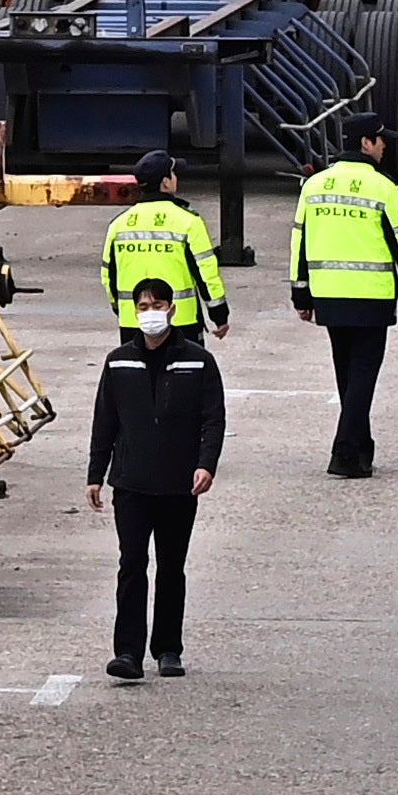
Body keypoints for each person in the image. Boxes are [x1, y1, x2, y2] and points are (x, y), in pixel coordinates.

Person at [88, 275, 229, 680]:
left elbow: (213, 418)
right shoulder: (118, 361)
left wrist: (206, 464)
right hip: (131, 482)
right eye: (143, 306)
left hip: (177, 482)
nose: (150, 313)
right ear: (134, 312)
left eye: (157, 305)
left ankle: (168, 649)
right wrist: (96, 473)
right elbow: (105, 421)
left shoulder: (198, 361)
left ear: (171, 308)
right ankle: (128, 653)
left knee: (171, 566)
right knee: (131, 564)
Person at [294, 121, 398, 478]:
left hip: (328, 294)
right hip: (370, 297)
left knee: (347, 374)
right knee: (364, 374)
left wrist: (300, 290)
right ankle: (344, 450)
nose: (385, 147)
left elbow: (300, 241)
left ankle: (360, 448)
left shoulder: (314, 184)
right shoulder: (386, 188)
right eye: (382, 141)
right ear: (366, 143)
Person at [101, 146, 227, 336]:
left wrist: (120, 309)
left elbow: (108, 276)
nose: (176, 178)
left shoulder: (118, 225)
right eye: (173, 174)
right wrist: (219, 316)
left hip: (133, 322)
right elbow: (207, 274)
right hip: (181, 322)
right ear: (166, 182)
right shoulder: (189, 222)